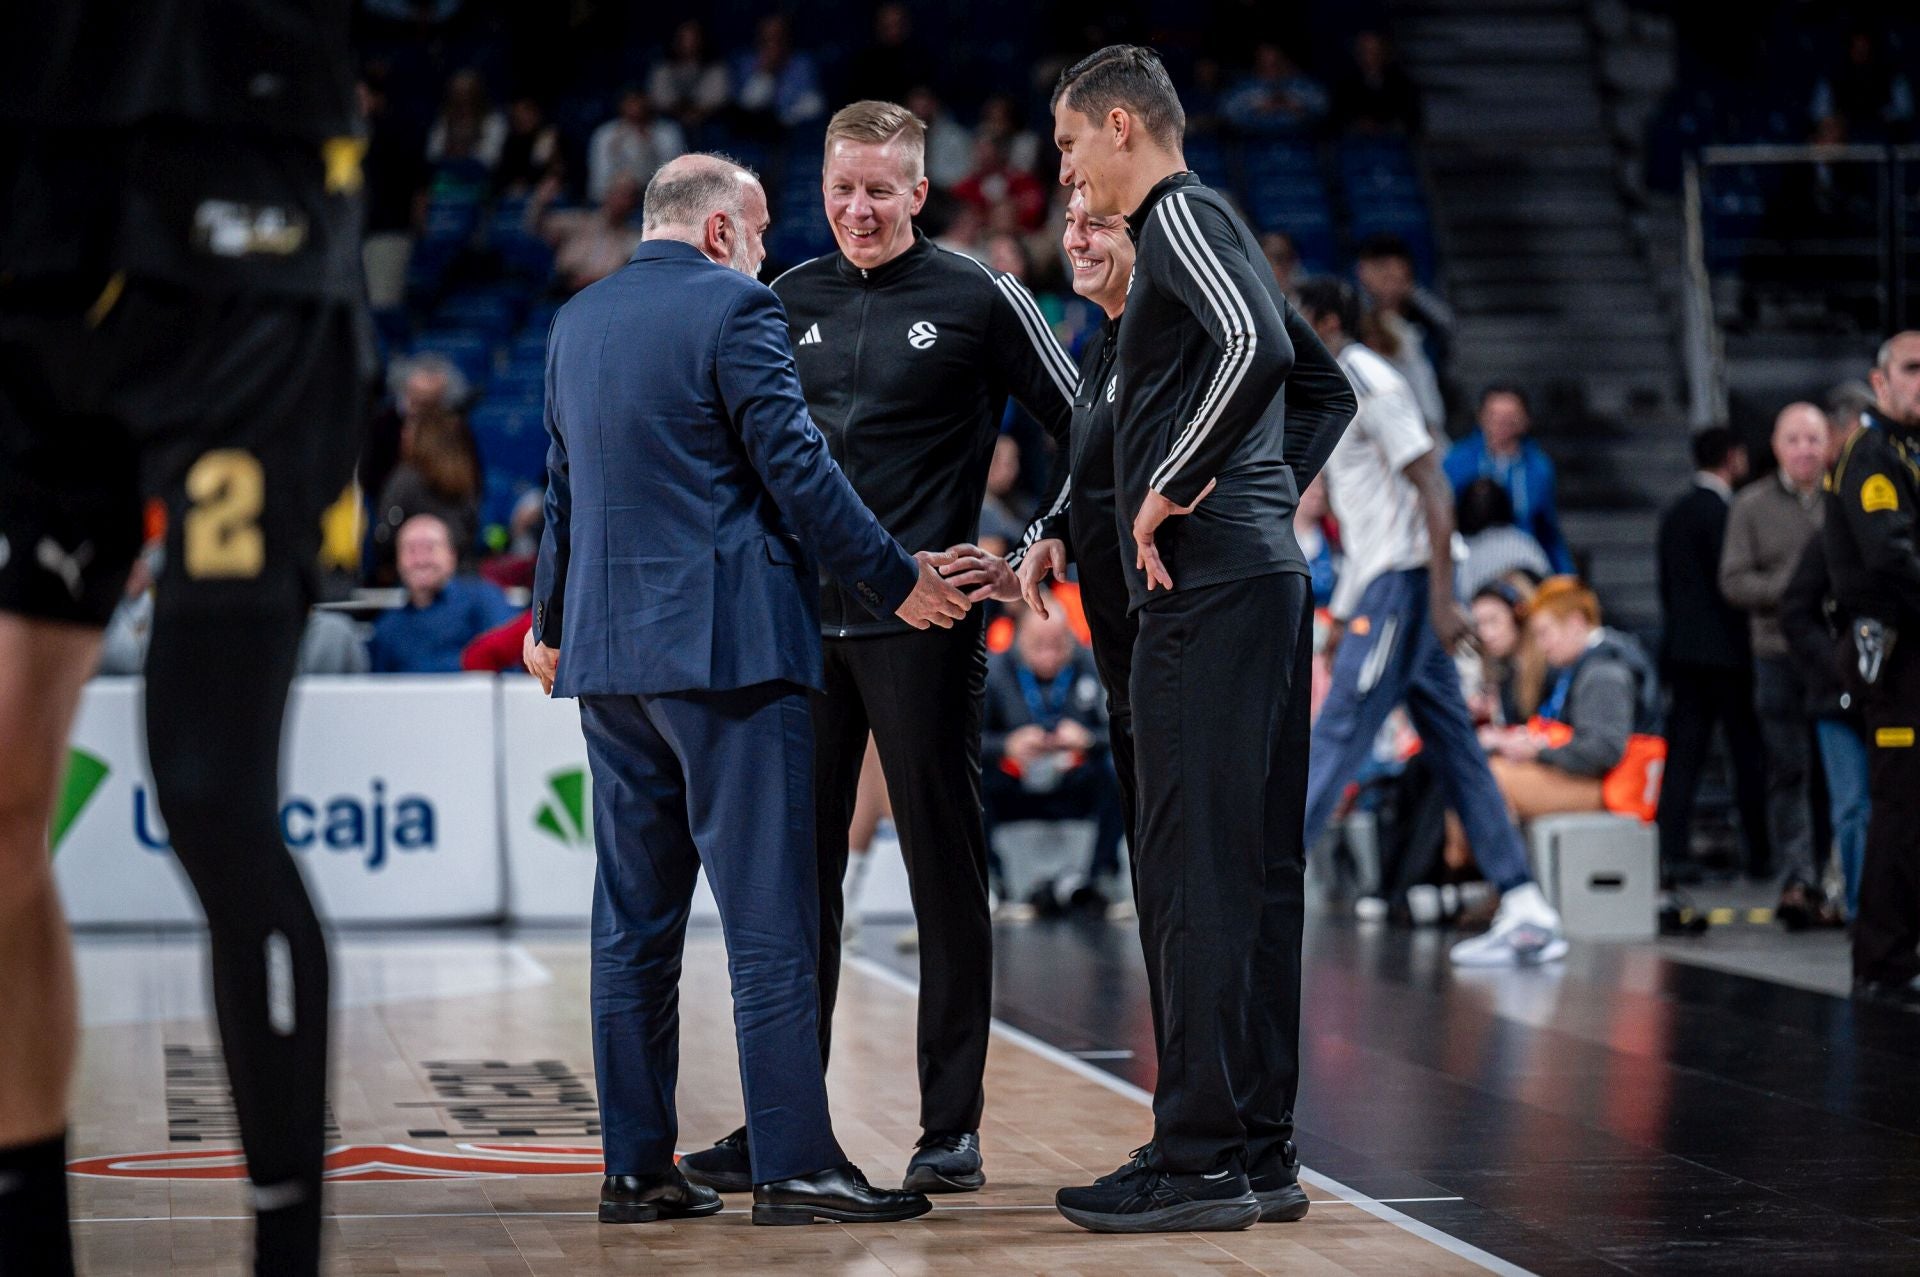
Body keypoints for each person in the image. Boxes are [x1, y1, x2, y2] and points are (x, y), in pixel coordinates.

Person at [524, 153, 960, 1223]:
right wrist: (899, 578)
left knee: (633, 926)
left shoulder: (577, 321)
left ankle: (635, 1167)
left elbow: (561, 491)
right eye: (761, 230)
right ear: (721, 231)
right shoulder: (737, 309)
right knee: (770, 923)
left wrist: (546, 623)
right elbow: (800, 468)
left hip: (610, 663)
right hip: (728, 657)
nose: (769, 251)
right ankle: (796, 1163)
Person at [0, 4, 367, 1270]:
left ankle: (285, 1251)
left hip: (237, 211)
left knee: (212, 793)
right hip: (33, 220)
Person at [677, 100, 1077, 1200]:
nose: (857, 208)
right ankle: (782, 1127)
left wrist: (1035, 544)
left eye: (878, 189)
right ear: (823, 185)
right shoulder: (776, 299)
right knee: (793, 882)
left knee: (943, 871)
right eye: (840, 187)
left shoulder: (980, 297)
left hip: (927, 628)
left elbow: (1089, 424)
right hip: (796, 630)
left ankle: (949, 1127)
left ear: (918, 192)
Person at [1048, 45, 1357, 1233]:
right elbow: (1323, 391)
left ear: (1121, 127)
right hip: (1260, 577)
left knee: (1192, 876)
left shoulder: (1177, 215)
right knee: (1259, 874)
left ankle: (1197, 1160)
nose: (1067, 173)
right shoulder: (1207, 227)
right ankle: (1262, 1149)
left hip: (1212, 592)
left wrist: (1179, 486)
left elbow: (1266, 355)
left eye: (1072, 145)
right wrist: (1259, 499)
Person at [1291, 278, 1566, 968]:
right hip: (1389, 583)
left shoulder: (1369, 380)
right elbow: (1376, 511)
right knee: (1455, 746)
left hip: (1408, 585)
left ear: (1324, 320)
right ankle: (1525, 901)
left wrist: (1442, 600)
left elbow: (1435, 488)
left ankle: (1256, 889)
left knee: (1340, 727)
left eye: (1292, 313)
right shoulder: (1334, 381)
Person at [1013, 187, 1143, 929]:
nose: (1077, 240)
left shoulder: (1176, 334)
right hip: (1118, 622)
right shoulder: (1099, 345)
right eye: (1069, 225)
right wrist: (1052, 526)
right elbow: (1088, 466)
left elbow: (1311, 389)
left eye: (1098, 225)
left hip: (1173, 614)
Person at [1824, 331, 1920, 1005]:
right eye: (1912, 369)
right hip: (1895, 657)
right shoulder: (1872, 457)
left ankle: (1896, 953)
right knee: (1898, 807)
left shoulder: (1907, 453)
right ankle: (1882, 962)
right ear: (1879, 381)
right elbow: (1890, 557)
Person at [1719, 402, 1837, 926]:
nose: (1805, 450)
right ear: (1775, 445)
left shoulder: (1844, 499)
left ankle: (1838, 879)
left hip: (1835, 660)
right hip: (1775, 655)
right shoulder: (1751, 505)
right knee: (1788, 770)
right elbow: (1733, 579)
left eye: (1813, 439)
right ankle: (1798, 877)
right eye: (1794, 440)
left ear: (1829, 443)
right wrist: (1793, 591)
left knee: (1838, 774)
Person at [1655, 426, 1771, 883]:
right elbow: (1732, 587)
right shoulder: (1728, 514)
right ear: (1733, 457)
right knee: (1746, 755)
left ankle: (1672, 852)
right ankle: (1761, 852)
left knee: (1684, 755)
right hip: (1726, 656)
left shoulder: (1676, 513)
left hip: (1683, 653)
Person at [1480, 577, 1660, 820]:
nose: (1542, 646)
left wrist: (1538, 752)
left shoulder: (1604, 673)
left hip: (1608, 788)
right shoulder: (1582, 666)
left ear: (1575, 622)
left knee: (1489, 777)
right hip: (1592, 779)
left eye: (1545, 633)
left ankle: (1463, 856)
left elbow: (1603, 751)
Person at [981, 607, 1125, 906]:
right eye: (1039, 645)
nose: (1049, 655)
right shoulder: (994, 671)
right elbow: (970, 741)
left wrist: (1087, 740)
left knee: (1118, 772)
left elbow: (1123, 732)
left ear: (1070, 639)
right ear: (1019, 639)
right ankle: (989, 878)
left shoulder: (1090, 664)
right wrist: (1008, 744)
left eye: (1057, 644)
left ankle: (1102, 875)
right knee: (968, 780)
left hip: (1074, 776)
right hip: (1014, 779)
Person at [1779, 534, 1868, 920]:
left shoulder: (1901, 539)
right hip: (1838, 699)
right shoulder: (1828, 542)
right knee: (1852, 809)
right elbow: (1794, 611)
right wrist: (1838, 663)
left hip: (1896, 698)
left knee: (1892, 808)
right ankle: (1862, 909)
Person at [1442, 386, 1573, 574]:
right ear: (1481, 418)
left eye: (1510, 418)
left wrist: (1565, 576)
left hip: (1521, 559)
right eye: (1495, 417)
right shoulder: (1457, 461)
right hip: (1466, 559)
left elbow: (1547, 530)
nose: (1502, 425)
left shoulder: (1538, 467)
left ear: (1525, 420)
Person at [368, 515, 517, 673]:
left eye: (430, 548)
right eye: (410, 550)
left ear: (452, 556)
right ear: (398, 561)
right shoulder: (387, 628)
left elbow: (511, 665)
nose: (420, 560)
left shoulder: (484, 600)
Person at [1354, 233, 1451, 430]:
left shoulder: (1422, 316)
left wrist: (1410, 290)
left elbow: (1448, 324)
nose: (1388, 281)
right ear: (1363, 272)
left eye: (1394, 273)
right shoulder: (1356, 315)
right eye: (1381, 272)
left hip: (1420, 408)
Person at [373, 406, 482, 569]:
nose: (402, 435)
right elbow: (472, 528)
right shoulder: (467, 476)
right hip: (462, 570)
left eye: (408, 430)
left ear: (423, 438)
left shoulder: (406, 478)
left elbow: (384, 535)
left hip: (415, 574)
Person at [531, 173, 644, 294]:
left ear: (634, 203)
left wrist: (589, 280)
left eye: (627, 195)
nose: (621, 200)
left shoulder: (634, 239)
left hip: (602, 295)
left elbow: (624, 276)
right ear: (608, 194)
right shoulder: (580, 221)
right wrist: (541, 201)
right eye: (618, 192)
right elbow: (536, 227)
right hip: (563, 289)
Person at [1454, 477, 1551, 601]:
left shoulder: (1521, 542)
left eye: (1487, 499)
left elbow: (1546, 590)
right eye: (1477, 500)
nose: (1482, 504)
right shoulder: (1459, 550)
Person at [588, 87, 686, 204]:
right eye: (631, 102)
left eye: (639, 101)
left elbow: (673, 174)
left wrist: (649, 144)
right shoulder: (606, 134)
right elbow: (599, 177)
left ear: (648, 103)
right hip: (614, 198)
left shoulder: (668, 132)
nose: (636, 107)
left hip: (657, 198)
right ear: (622, 105)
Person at [1469, 580, 1547, 728]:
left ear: (1518, 616)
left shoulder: (1549, 664)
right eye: (1479, 624)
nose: (1486, 634)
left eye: (1493, 621)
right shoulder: (1502, 670)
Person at [1222, 43, 1330, 137]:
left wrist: (1299, 108)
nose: (1270, 65)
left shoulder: (1302, 85)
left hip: (1299, 141)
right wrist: (1255, 110)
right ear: (1257, 61)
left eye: (1275, 61)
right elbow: (1227, 113)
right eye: (1264, 61)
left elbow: (1323, 107)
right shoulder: (1243, 87)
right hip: (1255, 143)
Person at [1333, 31, 1422, 136]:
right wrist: (1359, 125)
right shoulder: (1346, 84)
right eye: (1364, 51)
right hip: (1354, 143)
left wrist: (1383, 126)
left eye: (1373, 51)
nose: (1368, 57)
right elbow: (1337, 118)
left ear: (1383, 52)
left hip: (1390, 142)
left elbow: (1411, 119)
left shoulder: (1401, 84)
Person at [648, 19, 730, 130]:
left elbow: (718, 99)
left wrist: (696, 113)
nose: (689, 44)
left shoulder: (716, 68)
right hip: (669, 122)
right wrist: (680, 113)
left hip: (709, 122)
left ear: (702, 40)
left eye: (693, 39)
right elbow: (659, 99)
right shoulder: (662, 69)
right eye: (684, 39)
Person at [427, 68, 506, 172]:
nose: (462, 98)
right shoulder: (445, 118)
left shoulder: (492, 119)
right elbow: (432, 153)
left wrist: (465, 155)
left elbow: (490, 157)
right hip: (446, 176)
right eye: (457, 93)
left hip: (480, 178)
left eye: (467, 93)